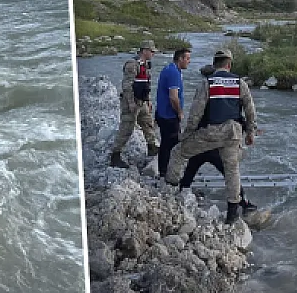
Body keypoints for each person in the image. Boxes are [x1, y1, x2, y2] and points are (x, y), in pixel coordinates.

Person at [166, 49, 257, 225]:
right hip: (232, 133)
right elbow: (250, 110)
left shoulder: (207, 83)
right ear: (229, 65)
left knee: (178, 152)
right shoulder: (240, 83)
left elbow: (196, 112)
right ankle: (232, 213)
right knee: (232, 171)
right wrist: (251, 132)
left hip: (210, 133)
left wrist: (187, 134)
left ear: (214, 65)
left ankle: (169, 189)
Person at [109, 40, 159, 168]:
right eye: (151, 51)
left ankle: (152, 147)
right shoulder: (132, 64)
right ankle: (115, 155)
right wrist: (130, 102)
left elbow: (146, 84)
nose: (153, 54)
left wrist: (148, 101)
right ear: (145, 50)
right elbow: (127, 85)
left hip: (142, 102)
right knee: (126, 128)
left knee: (148, 124)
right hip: (131, 102)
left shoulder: (146, 65)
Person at [154, 48, 190, 177]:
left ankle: (164, 170)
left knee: (166, 143)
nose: (189, 62)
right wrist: (180, 112)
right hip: (169, 115)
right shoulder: (174, 73)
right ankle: (166, 172)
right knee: (172, 145)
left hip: (162, 113)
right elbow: (173, 97)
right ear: (180, 59)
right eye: (187, 59)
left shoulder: (170, 69)